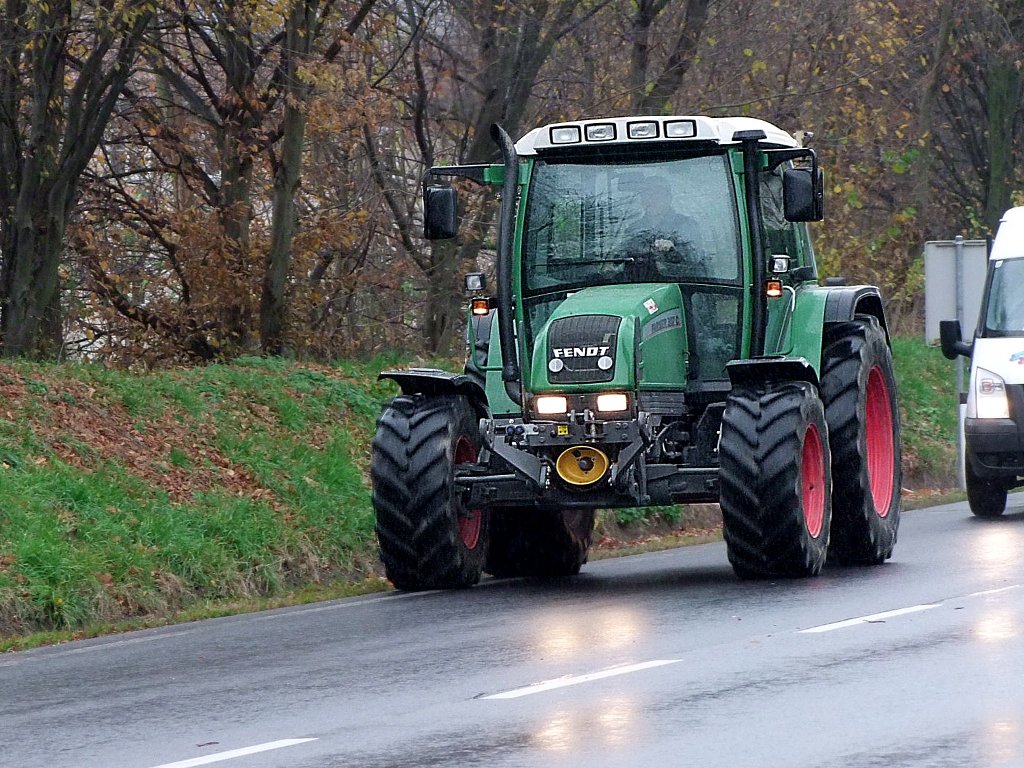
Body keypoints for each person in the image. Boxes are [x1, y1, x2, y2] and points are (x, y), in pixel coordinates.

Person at [619, 175, 701, 281]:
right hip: (640, 286)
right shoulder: (633, 229)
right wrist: (612, 265)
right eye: (647, 194)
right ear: (642, 199)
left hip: (680, 286)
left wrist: (673, 250)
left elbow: (695, 259)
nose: (652, 199)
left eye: (658, 194)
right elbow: (623, 256)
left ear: (668, 198)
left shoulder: (686, 225)